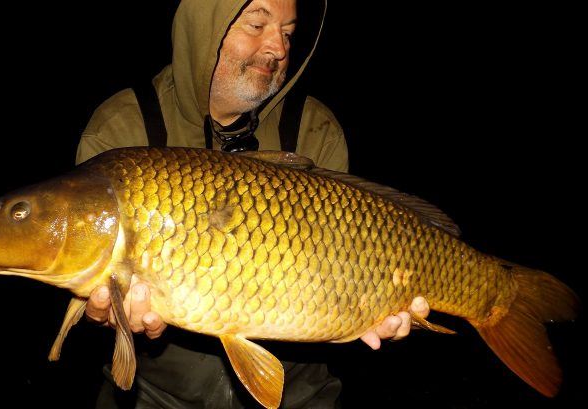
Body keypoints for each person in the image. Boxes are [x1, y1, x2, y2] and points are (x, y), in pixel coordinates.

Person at [76, 0, 430, 407]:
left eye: (288, 32)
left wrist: (376, 304)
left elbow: (358, 258)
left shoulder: (314, 128)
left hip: (301, 392)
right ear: (205, 31)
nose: (277, 48)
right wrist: (106, 312)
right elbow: (92, 277)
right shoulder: (124, 126)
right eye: (258, 24)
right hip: (157, 395)